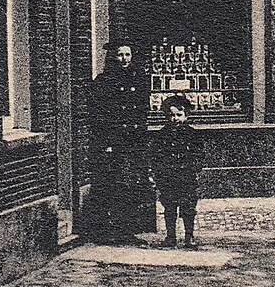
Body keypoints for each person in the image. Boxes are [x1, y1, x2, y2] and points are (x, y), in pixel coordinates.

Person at [83, 42, 156, 241]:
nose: (124, 59)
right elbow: (99, 114)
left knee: (131, 185)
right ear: (113, 57)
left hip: (133, 141)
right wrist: (106, 141)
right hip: (113, 142)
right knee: (112, 185)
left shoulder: (140, 79)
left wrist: (141, 137)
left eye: (127, 54)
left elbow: (142, 111)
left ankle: (128, 230)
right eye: (120, 55)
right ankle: (108, 230)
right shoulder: (104, 81)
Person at [152, 94, 203, 248]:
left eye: (179, 115)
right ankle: (171, 236)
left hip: (187, 177)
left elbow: (199, 155)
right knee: (170, 207)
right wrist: (158, 173)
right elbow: (156, 156)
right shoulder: (161, 135)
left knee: (188, 208)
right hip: (168, 177)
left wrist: (194, 168)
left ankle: (189, 236)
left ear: (186, 115)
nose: (175, 119)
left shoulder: (193, 135)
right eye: (171, 115)